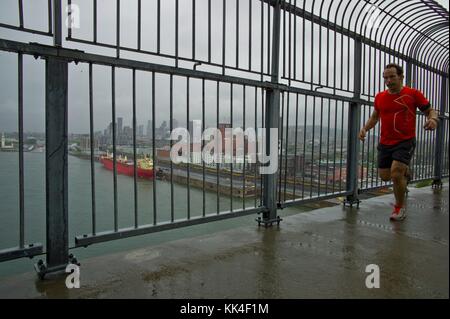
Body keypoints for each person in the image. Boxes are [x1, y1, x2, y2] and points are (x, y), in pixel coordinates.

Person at [358, 63, 438, 221]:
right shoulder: (380, 97)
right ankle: (405, 172)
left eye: (392, 77)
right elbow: (375, 117)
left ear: (401, 77)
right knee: (385, 176)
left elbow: (430, 110)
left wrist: (433, 119)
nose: (388, 80)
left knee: (395, 174)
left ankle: (399, 208)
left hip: (405, 141)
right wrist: (364, 129)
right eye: (385, 78)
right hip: (385, 142)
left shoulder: (413, 94)